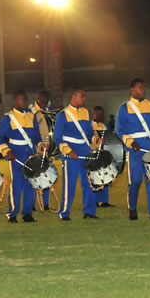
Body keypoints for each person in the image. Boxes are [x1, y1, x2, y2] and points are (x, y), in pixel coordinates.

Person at [0, 91, 46, 223]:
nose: (25, 102)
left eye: (26, 100)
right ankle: (12, 214)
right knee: (16, 185)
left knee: (30, 184)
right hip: (16, 155)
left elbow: (36, 137)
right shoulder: (8, 118)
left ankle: (27, 214)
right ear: (15, 101)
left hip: (30, 154)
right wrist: (7, 151)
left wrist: (41, 146)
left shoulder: (31, 116)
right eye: (22, 100)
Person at [116, 78, 150, 221]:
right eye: (140, 88)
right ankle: (132, 208)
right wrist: (131, 142)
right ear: (132, 90)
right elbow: (119, 129)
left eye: (144, 88)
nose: (143, 90)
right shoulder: (124, 108)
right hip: (134, 150)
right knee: (135, 181)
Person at [53, 88, 100, 220]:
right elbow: (57, 137)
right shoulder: (62, 115)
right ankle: (64, 213)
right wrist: (68, 151)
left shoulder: (86, 112)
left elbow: (89, 133)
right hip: (71, 152)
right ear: (73, 97)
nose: (84, 99)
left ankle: (89, 212)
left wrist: (96, 139)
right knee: (69, 183)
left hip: (84, 150)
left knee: (89, 182)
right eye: (81, 97)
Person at [30, 89, 52, 210]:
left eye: (46, 102)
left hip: (47, 147)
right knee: (34, 175)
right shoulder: (31, 111)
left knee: (46, 174)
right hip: (35, 147)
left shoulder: (48, 111)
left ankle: (46, 203)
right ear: (38, 99)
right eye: (42, 101)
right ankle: (31, 203)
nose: (44, 104)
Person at [91, 106, 114, 207]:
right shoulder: (90, 126)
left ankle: (104, 201)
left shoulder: (105, 126)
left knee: (106, 176)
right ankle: (94, 201)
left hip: (104, 154)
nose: (101, 117)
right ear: (94, 114)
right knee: (94, 177)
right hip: (94, 153)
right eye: (99, 115)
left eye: (102, 115)